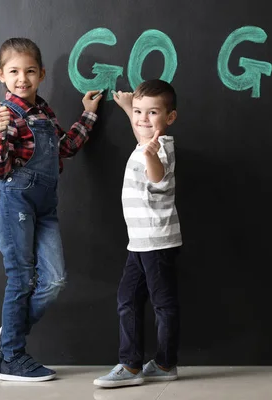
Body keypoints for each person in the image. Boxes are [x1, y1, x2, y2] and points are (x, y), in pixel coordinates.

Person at [0, 37, 102, 382]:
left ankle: (9, 336)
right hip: (14, 202)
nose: (23, 78)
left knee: (53, 281)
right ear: (1, 75)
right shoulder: (3, 116)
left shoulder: (44, 112)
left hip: (45, 207)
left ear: (42, 74)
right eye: (14, 71)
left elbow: (65, 148)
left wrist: (89, 115)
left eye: (30, 71)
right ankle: (12, 356)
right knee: (21, 279)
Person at [93, 79, 182, 388]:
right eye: (139, 112)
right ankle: (132, 364)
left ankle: (162, 363)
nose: (143, 119)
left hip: (156, 242)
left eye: (152, 113)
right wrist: (128, 107)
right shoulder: (146, 141)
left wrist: (151, 155)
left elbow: (156, 178)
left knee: (162, 304)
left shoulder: (161, 150)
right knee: (127, 299)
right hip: (140, 242)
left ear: (169, 118)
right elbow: (141, 131)